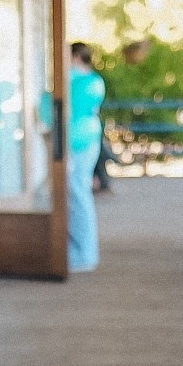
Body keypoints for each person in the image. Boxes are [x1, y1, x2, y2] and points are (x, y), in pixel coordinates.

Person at [67, 41, 106, 273]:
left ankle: (82, 254)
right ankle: (82, 252)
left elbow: (65, 107)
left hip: (80, 144)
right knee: (78, 194)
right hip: (86, 142)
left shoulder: (83, 83)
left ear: (75, 58)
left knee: (78, 196)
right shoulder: (93, 82)